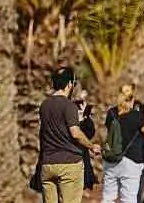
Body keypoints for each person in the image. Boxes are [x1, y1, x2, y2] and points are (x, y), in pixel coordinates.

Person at [39, 66, 101, 203]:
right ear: (69, 84)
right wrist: (91, 146)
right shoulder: (69, 106)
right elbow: (75, 133)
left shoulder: (44, 105)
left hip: (48, 165)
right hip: (69, 164)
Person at [101, 84, 144, 203]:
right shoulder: (136, 116)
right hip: (131, 161)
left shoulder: (111, 113)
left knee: (108, 197)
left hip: (111, 159)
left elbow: (110, 131)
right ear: (132, 99)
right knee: (128, 199)